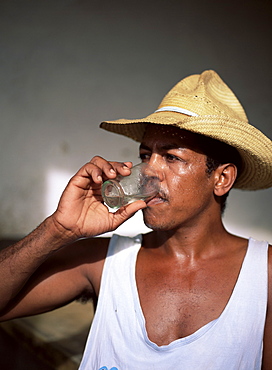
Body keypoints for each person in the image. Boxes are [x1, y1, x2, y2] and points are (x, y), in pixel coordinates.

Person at [0, 70, 271, 370]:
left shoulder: (263, 276)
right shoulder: (107, 262)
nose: (150, 171)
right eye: (145, 155)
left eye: (171, 157)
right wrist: (58, 229)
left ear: (221, 178)